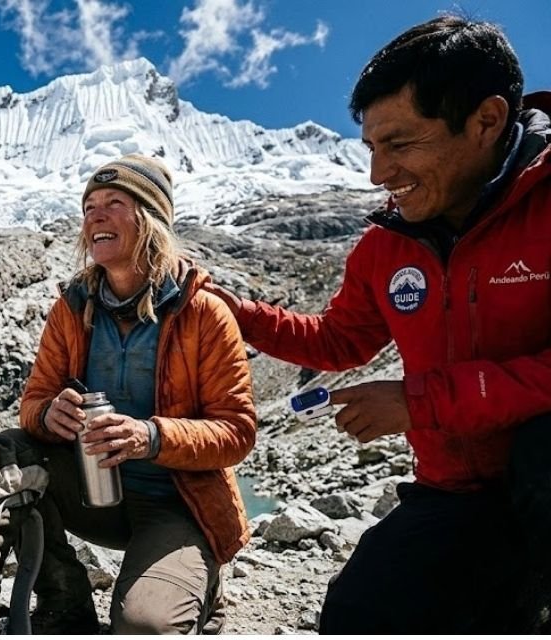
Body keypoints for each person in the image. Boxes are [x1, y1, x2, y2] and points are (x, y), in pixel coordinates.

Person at [212, 15, 551, 633]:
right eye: (372, 148)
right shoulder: (388, 244)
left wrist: (420, 402)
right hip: (457, 491)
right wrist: (234, 311)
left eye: (400, 144)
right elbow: (339, 340)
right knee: (357, 615)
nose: (378, 174)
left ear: (486, 120)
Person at [18, 153, 256, 634]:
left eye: (113, 203)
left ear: (149, 219)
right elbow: (33, 401)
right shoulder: (72, 308)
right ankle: (64, 602)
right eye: (89, 207)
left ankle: (199, 580)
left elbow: (237, 432)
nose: (96, 217)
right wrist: (47, 415)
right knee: (4, 458)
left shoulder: (203, 312)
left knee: (144, 627)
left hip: (178, 503)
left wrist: (150, 437)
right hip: (93, 491)